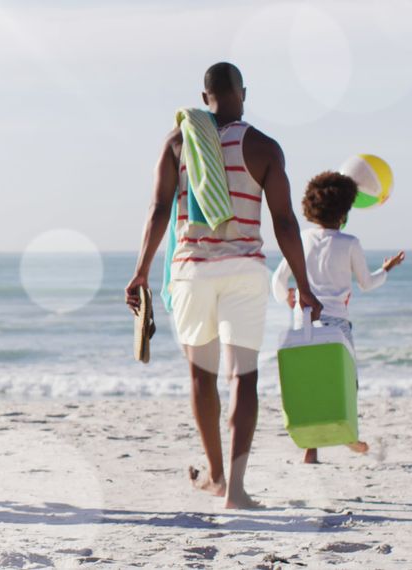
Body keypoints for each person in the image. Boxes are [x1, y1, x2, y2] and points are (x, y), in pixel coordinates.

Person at [125, 62, 323, 509]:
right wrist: (304, 283)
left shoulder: (178, 142)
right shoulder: (264, 147)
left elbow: (158, 210)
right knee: (244, 378)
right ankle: (235, 489)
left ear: (203, 97)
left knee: (202, 377)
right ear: (243, 94)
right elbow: (286, 221)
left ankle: (214, 475)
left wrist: (140, 271)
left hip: (192, 271)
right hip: (245, 271)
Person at [271, 171, 405, 464]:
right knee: (345, 381)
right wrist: (387, 270)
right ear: (344, 213)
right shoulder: (350, 242)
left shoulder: (301, 239)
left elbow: (278, 282)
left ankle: (311, 449)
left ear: (310, 208)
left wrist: (288, 300)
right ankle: (349, 435)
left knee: (309, 380)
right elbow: (366, 284)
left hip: (302, 321)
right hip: (338, 325)